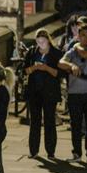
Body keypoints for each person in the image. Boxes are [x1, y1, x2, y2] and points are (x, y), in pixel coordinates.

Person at [60, 24, 87, 162]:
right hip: (75, 93)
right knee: (76, 125)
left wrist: (76, 47)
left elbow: (86, 54)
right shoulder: (72, 52)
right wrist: (71, 65)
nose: (85, 38)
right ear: (78, 36)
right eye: (83, 35)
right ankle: (77, 153)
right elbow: (61, 63)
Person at [22, 29, 64, 159]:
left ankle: (50, 151)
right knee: (35, 121)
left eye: (43, 41)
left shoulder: (56, 53)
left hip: (50, 92)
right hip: (34, 92)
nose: (41, 44)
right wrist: (34, 68)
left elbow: (60, 74)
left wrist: (46, 68)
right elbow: (24, 70)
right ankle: (33, 150)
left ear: (48, 40)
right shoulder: (31, 52)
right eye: (38, 41)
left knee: (49, 121)